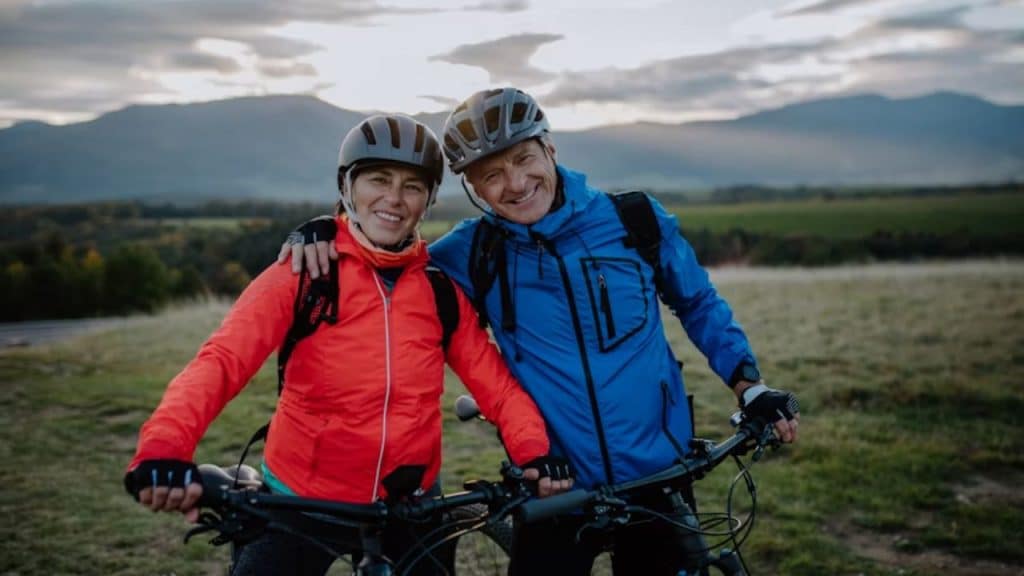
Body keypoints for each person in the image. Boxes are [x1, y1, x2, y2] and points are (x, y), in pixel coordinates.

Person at [281, 89, 800, 575]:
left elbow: (698, 303)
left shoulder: (633, 220)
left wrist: (748, 385)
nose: (514, 183)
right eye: (490, 174)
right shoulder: (472, 252)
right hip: (551, 487)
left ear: (549, 149)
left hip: (659, 477)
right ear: (473, 188)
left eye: (523, 159)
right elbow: (387, 264)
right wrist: (330, 229)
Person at [124, 114, 573, 576]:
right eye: (378, 180)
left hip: (412, 505)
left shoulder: (440, 291)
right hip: (302, 501)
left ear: (429, 200)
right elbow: (221, 362)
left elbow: (496, 385)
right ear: (347, 187)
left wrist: (534, 453)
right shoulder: (304, 275)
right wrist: (165, 448)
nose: (394, 198)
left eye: (412, 186)